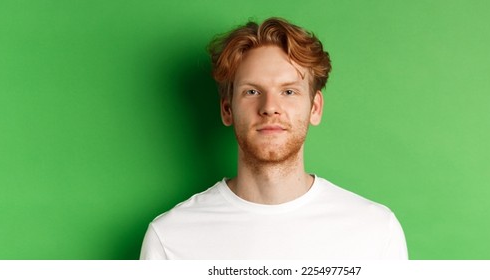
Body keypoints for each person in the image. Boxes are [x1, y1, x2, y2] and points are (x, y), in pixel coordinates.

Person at [139, 17, 407, 260]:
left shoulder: (375, 232)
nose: (270, 106)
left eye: (288, 92)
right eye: (252, 91)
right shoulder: (170, 237)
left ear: (315, 108)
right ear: (227, 109)